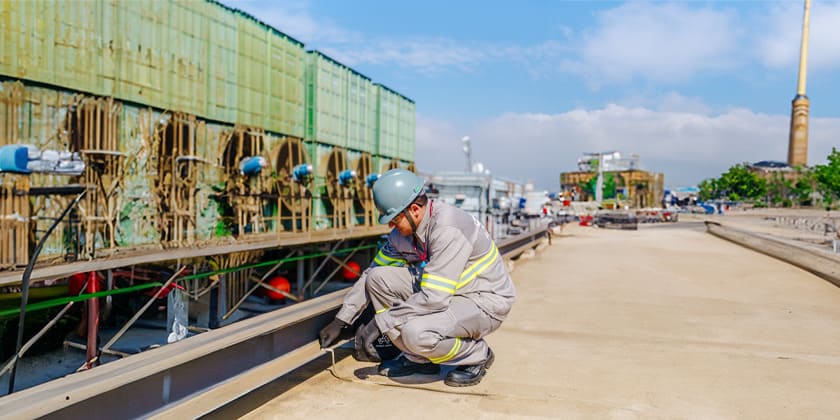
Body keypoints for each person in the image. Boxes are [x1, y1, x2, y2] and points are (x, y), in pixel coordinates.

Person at [318, 168, 516, 387]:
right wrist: (342, 319)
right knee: (378, 278)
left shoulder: (448, 228)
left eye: (394, 220)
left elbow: (434, 297)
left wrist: (380, 322)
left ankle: (477, 354)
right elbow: (370, 274)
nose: (391, 227)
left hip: (483, 300)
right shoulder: (403, 234)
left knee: (416, 333)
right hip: (449, 293)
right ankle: (419, 360)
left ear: (414, 209)